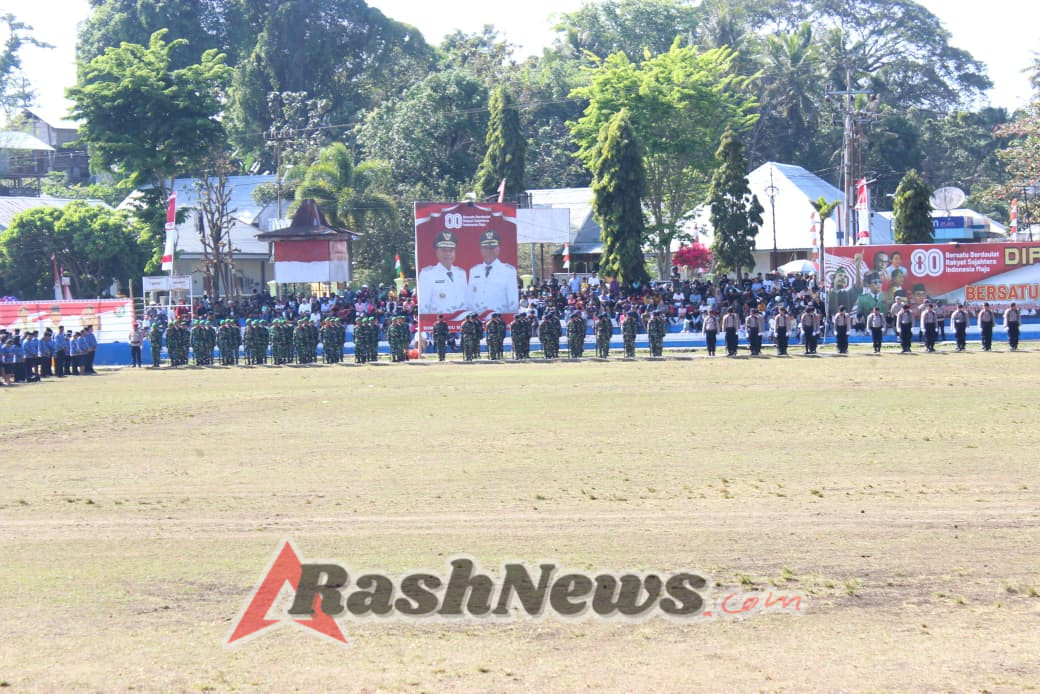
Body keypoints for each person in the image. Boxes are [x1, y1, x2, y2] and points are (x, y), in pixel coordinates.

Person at [467, 229, 519, 314]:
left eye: (492, 248)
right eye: (485, 248)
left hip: (499, 319)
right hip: (478, 320)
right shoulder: (474, 271)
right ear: (481, 250)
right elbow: (469, 299)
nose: (489, 251)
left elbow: (513, 302)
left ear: (498, 249)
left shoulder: (508, 271)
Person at [418, 230, 467, 315]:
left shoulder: (461, 273)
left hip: (460, 323)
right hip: (439, 322)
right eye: (444, 250)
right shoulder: (427, 274)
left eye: (451, 250)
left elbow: (466, 301)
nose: (448, 254)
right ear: (437, 252)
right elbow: (424, 306)